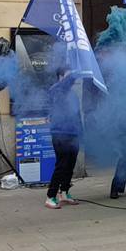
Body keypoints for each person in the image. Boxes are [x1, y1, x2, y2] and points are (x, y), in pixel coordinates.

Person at [45, 68, 84, 209]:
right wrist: (77, 69)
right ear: (61, 77)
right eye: (68, 75)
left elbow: (77, 115)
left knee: (70, 165)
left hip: (73, 134)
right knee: (61, 165)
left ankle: (64, 192)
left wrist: (81, 133)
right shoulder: (56, 90)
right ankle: (50, 196)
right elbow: (66, 83)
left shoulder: (72, 94)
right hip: (60, 133)